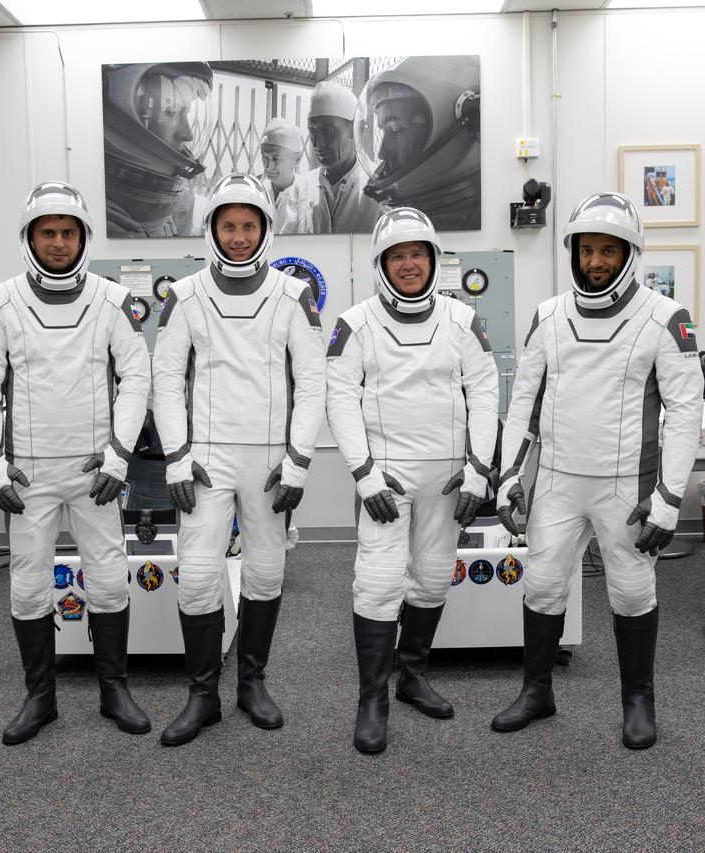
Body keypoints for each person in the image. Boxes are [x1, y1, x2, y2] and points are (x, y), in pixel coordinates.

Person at [492, 192, 703, 750]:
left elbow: (685, 414)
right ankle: (536, 691)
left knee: (632, 593)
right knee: (540, 586)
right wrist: (510, 476)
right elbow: (522, 406)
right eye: (587, 250)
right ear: (574, 254)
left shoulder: (666, 319)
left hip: (626, 489)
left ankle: (639, 701)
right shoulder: (548, 316)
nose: (597, 262)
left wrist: (669, 497)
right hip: (558, 484)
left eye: (609, 250)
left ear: (631, 253)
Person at [0, 181, 153, 746]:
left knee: (107, 579)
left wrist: (119, 456)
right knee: (27, 587)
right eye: (47, 232)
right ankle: (40, 697)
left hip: (95, 473)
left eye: (67, 232)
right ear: (30, 237)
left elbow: (137, 377)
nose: (57, 242)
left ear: (82, 238)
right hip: (28, 476)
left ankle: (113, 689)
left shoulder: (114, 300)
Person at [151, 172, 326, 747]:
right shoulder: (184, 295)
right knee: (198, 576)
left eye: (249, 225)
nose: (239, 236)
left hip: (271, 462)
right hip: (204, 460)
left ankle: (252, 683)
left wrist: (299, 462)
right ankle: (203, 696)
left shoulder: (293, 295)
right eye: (229, 225)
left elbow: (314, 383)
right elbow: (165, 380)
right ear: (213, 229)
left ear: (265, 229)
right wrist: (175, 458)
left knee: (265, 571)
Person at [325, 207, 499, 754]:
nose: (408, 265)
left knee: (430, 579)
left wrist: (478, 469)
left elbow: (486, 392)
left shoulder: (462, 320)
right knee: (377, 586)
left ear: (432, 260)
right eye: (397, 256)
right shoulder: (355, 324)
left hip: (447, 482)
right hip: (385, 485)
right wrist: (363, 474)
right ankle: (371, 700)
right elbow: (339, 398)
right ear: (381, 263)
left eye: (417, 254)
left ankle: (412, 676)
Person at [358, 55, 481, 230]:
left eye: (397, 130)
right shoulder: (396, 213)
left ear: (470, 117)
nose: (383, 152)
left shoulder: (480, 219)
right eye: (384, 131)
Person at [102, 62, 213, 236]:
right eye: (171, 111)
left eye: (186, 112)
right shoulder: (108, 228)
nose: (188, 133)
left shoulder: (161, 213)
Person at [307, 80, 379, 234]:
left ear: (356, 129)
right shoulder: (304, 186)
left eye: (329, 130)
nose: (317, 142)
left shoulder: (379, 191)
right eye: (312, 130)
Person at [259, 117, 317, 234]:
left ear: (297, 158)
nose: (268, 166)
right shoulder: (258, 192)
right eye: (265, 158)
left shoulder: (309, 195)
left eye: (276, 158)